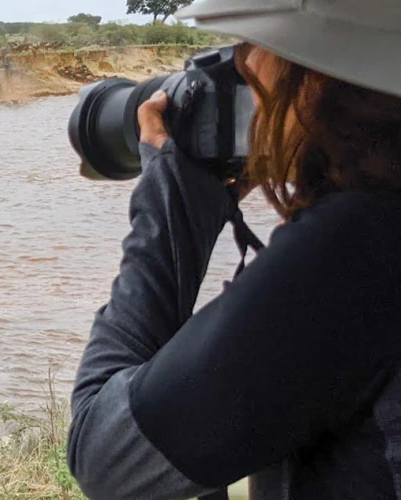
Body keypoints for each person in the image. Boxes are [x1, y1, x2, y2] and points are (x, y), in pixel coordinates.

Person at [66, 1, 401, 499]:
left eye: (250, 49)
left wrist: (171, 204)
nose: (240, 72)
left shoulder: (359, 246)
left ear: (317, 75)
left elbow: (106, 455)